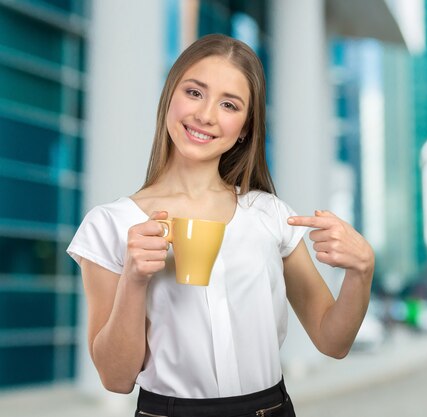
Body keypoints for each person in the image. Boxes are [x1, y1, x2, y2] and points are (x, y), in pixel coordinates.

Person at [67, 33, 374, 417]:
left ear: (245, 127)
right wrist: (133, 279)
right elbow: (115, 379)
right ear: (170, 98)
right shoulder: (110, 224)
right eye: (194, 93)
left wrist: (362, 271)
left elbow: (333, 341)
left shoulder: (269, 214)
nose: (206, 115)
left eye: (229, 104)